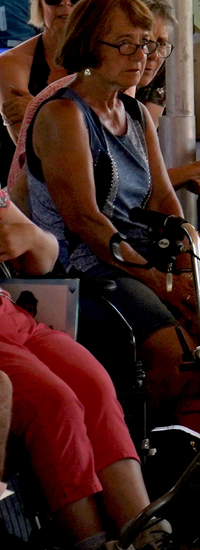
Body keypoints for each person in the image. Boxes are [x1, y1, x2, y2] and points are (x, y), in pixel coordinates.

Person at [23, 0, 200, 427]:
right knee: (179, 354)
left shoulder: (133, 111)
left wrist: (185, 266)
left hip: (148, 254)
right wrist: (158, 280)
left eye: (148, 44)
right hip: (88, 270)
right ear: (90, 46)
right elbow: (86, 221)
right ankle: (150, 452)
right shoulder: (63, 114)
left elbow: (163, 201)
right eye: (125, 43)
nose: (142, 56)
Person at [0, 189, 163, 550]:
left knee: (94, 385)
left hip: (9, 315)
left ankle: (144, 534)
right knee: (53, 402)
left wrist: (31, 237)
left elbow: (44, 258)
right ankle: (91, 542)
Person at [0, 0, 95, 137]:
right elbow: (24, 141)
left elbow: (113, 135)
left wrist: (36, 108)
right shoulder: (9, 63)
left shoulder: (111, 56)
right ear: (39, 2)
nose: (65, 3)